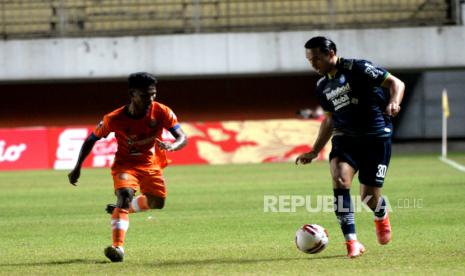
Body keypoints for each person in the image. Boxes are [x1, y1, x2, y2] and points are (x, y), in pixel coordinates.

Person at [295, 37, 405, 258]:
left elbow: (397, 83)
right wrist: (315, 150)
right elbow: (329, 120)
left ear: (331, 53)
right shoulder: (322, 86)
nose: (313, 64)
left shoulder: (359, 68)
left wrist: (394, 101)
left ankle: (381, 213)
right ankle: (352, 242)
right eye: (309, 60)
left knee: (369, 198)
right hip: (345, 139)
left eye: (317, 58)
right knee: (339, 180)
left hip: (376, 137)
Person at [68, 72, 187, 262]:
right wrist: (77, 167)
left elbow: (182, 137)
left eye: (153, 94)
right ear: (132, 94)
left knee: (158, 203)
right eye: (145, 95)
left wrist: (173, 145)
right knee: (124, 194)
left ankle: (125, 208)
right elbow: (92, 139)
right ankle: (118, 248)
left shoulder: (162, 111)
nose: (151, 99)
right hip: (125, 164)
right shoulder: (114, 118)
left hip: (150, 163)